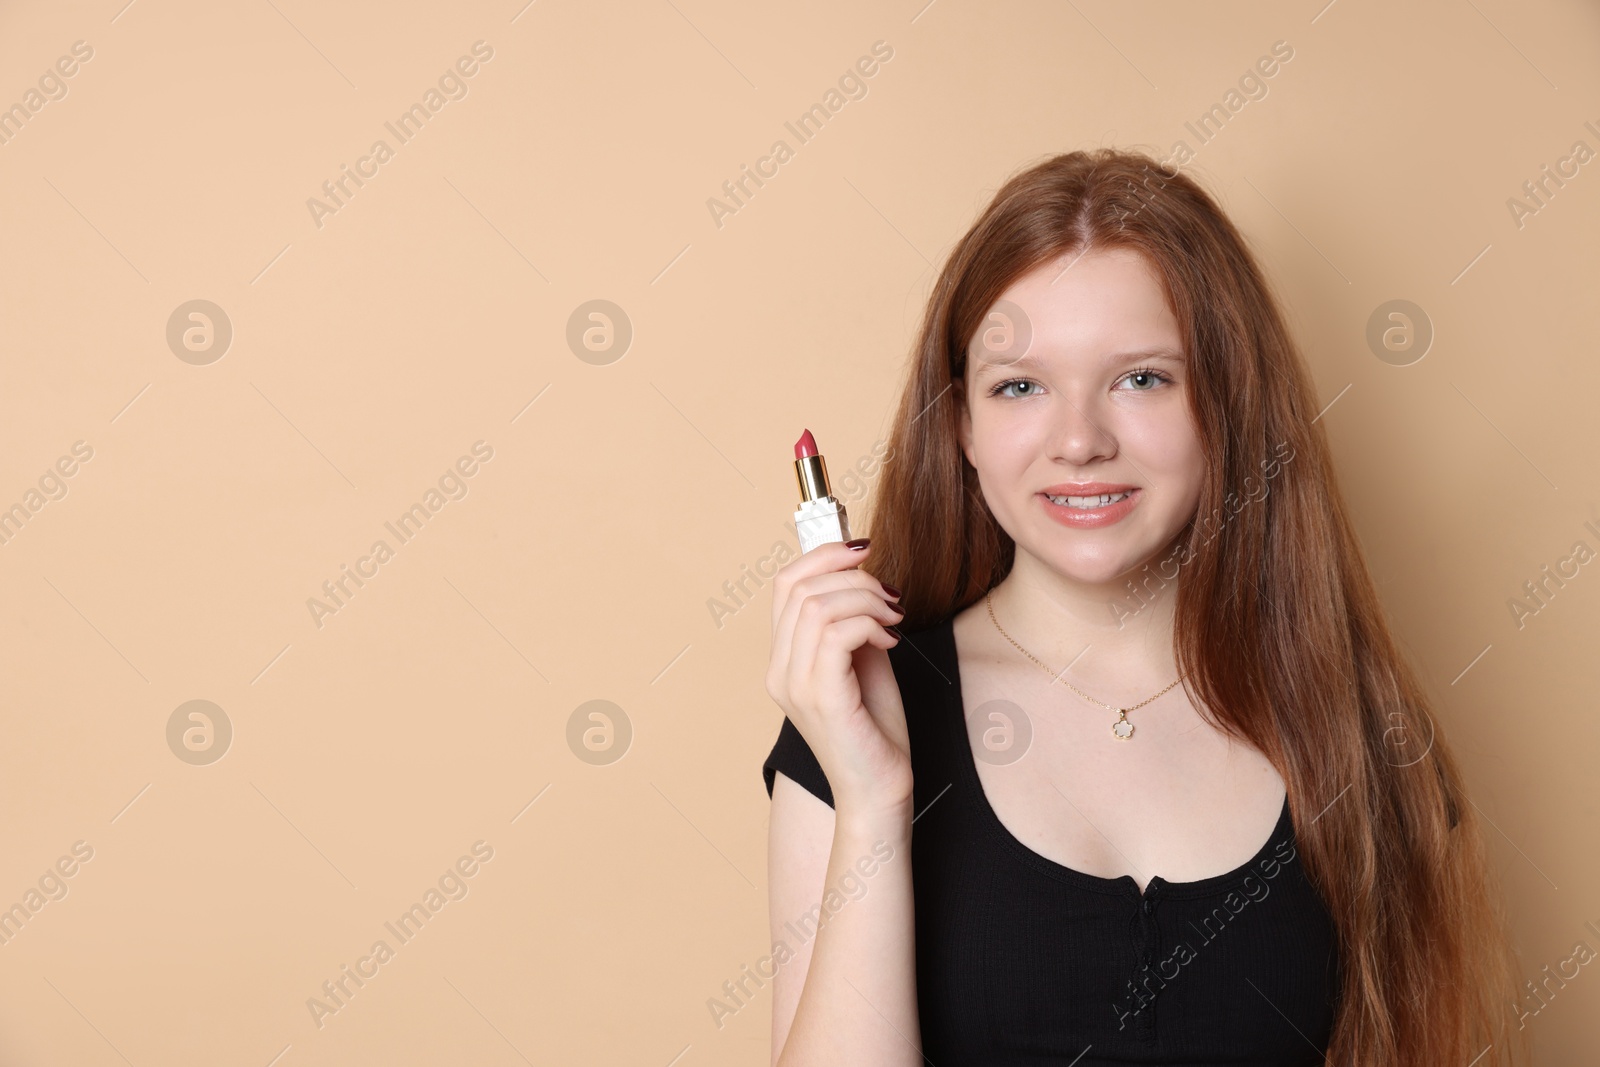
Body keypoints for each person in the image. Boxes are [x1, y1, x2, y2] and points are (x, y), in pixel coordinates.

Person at [760, 147, 1527, 1066]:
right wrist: (874, 801)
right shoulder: (857, 731)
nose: (1080, 440)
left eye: (1141, 378)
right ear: (961, 422)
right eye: (1019, 386)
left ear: (1226, 405)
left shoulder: (1363, 735)